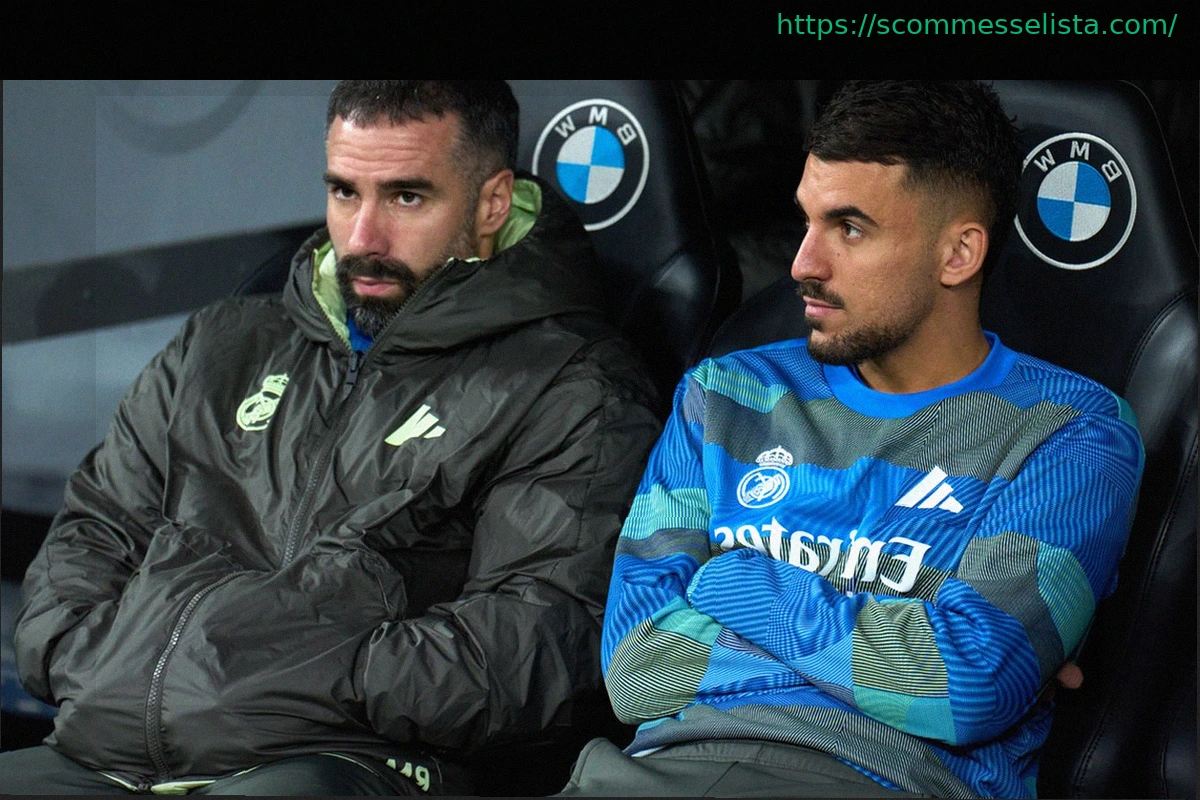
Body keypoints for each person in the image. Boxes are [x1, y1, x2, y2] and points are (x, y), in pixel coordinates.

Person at [3, 80, 661, 795]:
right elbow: (88, 539)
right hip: (108, 746)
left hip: (348, 760)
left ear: (491, 204)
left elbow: (537, 648)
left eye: (406, 197)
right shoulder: (220, 344)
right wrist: (102, 662)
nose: (363, 239)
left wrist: (292, 676)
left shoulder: (569, 383)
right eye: (345, 192)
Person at [559, 81, 1144, 798]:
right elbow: (635, 669)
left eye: (850, 228)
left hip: (875, 780)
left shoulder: (1070, 433)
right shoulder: (725, 393)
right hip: (650, 772)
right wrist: (897, 657)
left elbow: (965, 687)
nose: (803, 263)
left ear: (958, 254)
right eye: (806, 221)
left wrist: (728, 579)